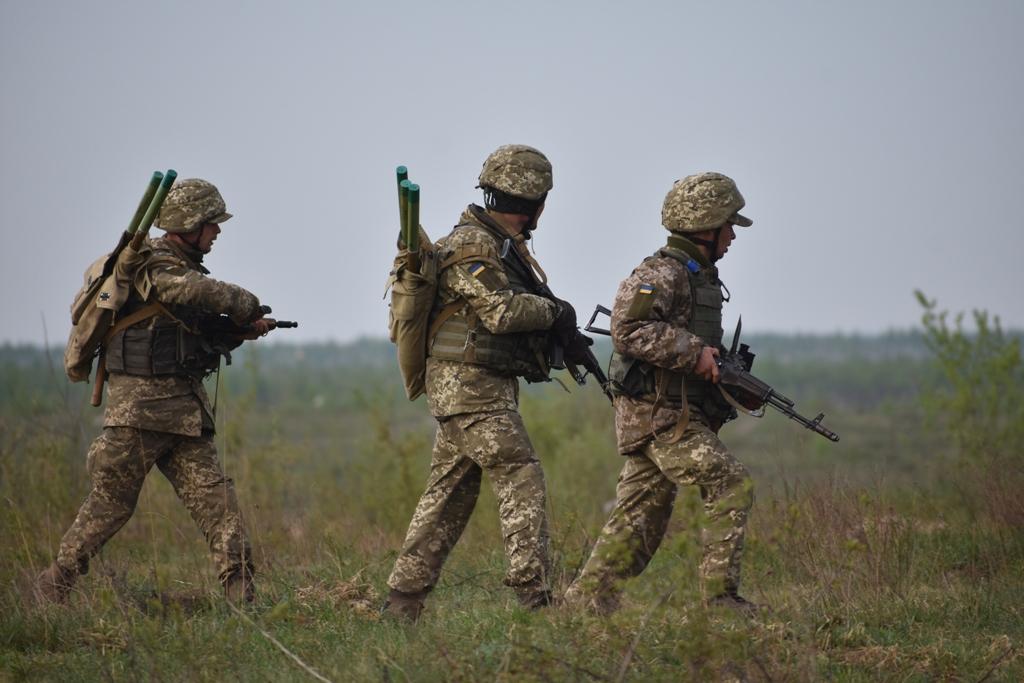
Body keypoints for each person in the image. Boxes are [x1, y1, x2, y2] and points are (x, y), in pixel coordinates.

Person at [36, 178, 276, 604]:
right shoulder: (155, 264)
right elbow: (191, 291)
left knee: (219, 505)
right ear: (190, 223)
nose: (217, 232)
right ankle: (52, 586)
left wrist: (239, 331)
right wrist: (243, 301)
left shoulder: (174, 268)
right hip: (140, 415)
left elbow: (188, 332)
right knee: (109, 506)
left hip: (182, 416)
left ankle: (243, 596)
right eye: (212, 224)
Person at [382, 144, 578, 620]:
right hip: (469, 390)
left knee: (449, 494)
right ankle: (534, 597)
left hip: (475, 388)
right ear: (536, 203)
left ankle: (402, 604)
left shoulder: (499, 246)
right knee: (520, 471)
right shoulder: (474, 245)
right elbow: (503, 310)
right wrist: (556, 312)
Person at [563, 172, 757, 614]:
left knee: (638, 524)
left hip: (672, 414)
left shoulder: (699, 277)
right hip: (659, 418)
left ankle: (582, 606)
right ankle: (721, 601)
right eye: (728, 225)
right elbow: (627, 329)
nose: (732, 235)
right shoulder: (661, 272)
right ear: (705, 225)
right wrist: (694, 353)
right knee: (730, 482)